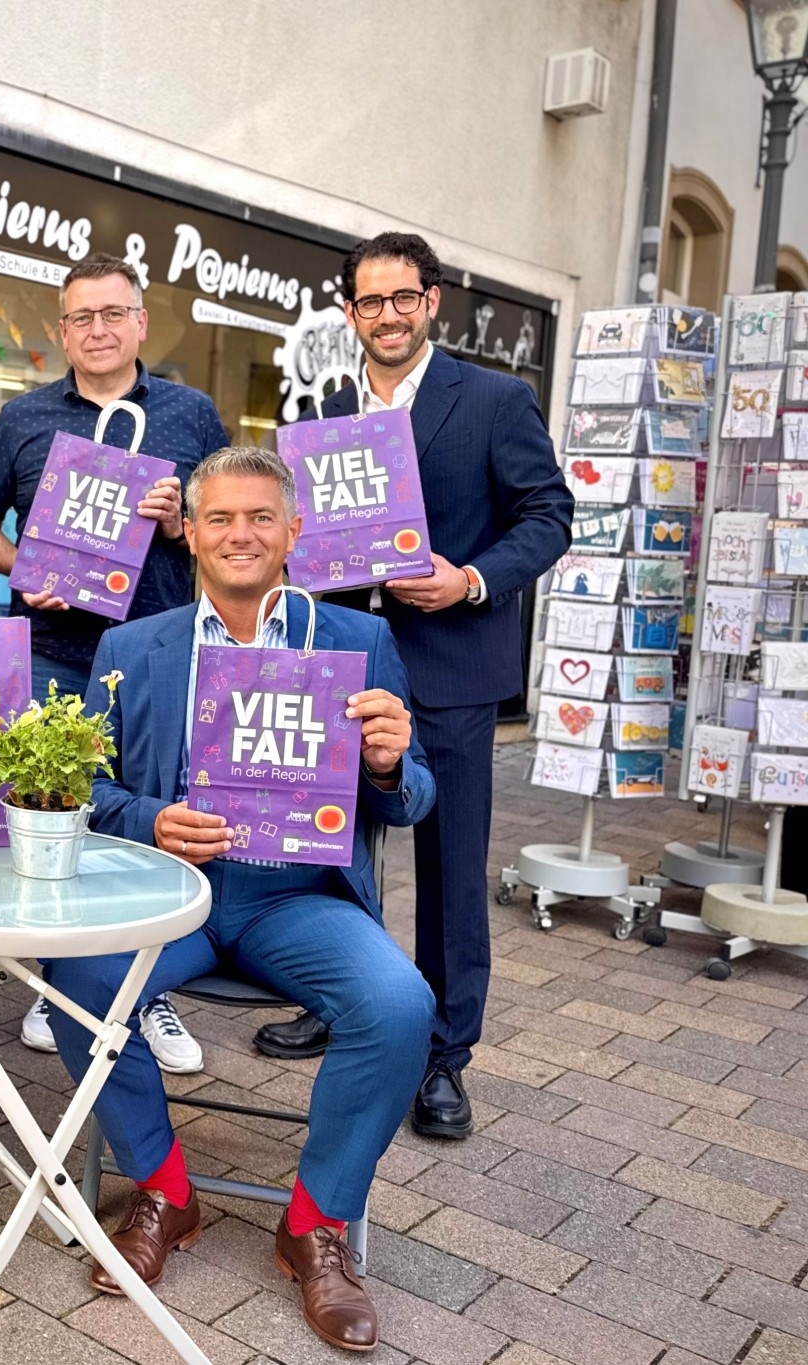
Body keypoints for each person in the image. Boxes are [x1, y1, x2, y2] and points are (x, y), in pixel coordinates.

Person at [48, 447, 435, 1354]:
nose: (240, 534)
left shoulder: (357, 641)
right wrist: (148, 818)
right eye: (219, 517)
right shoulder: (131, 646)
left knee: (399, 1003)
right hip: (169, 890)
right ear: (188, 531)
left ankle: (315, 1224)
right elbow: (82, 787)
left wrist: (386, 762)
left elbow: (415, 795)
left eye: (261, 517)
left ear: (295, 532)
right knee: (73, 980)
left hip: (296, 897)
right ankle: (163, 1189)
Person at [252, 233, 573, 1144]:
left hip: (451, 664)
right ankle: (336, 994)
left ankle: (443, 1054)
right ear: (348, 311)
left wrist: (469, 577)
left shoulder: (497, 399)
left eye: (402, 298)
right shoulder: (323, 405)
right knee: (330, 840)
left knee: (447, 864)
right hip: (338, 658)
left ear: (432, 301)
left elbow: (550, 516)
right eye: (368, 301)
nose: (385, 315)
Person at [0, 251, 225, 1070]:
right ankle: (57, 982)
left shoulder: (191, 414)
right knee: (54, 817)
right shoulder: (26, 417)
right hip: (53, 652)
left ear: (140, 322)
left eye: (114, 314)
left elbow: (228, 529)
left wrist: (181, 520)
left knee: (151, 814)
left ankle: (150, 989)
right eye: (82, 317)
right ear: (60, 330)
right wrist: (20, 570)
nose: (98, 330)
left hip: (158, 654)